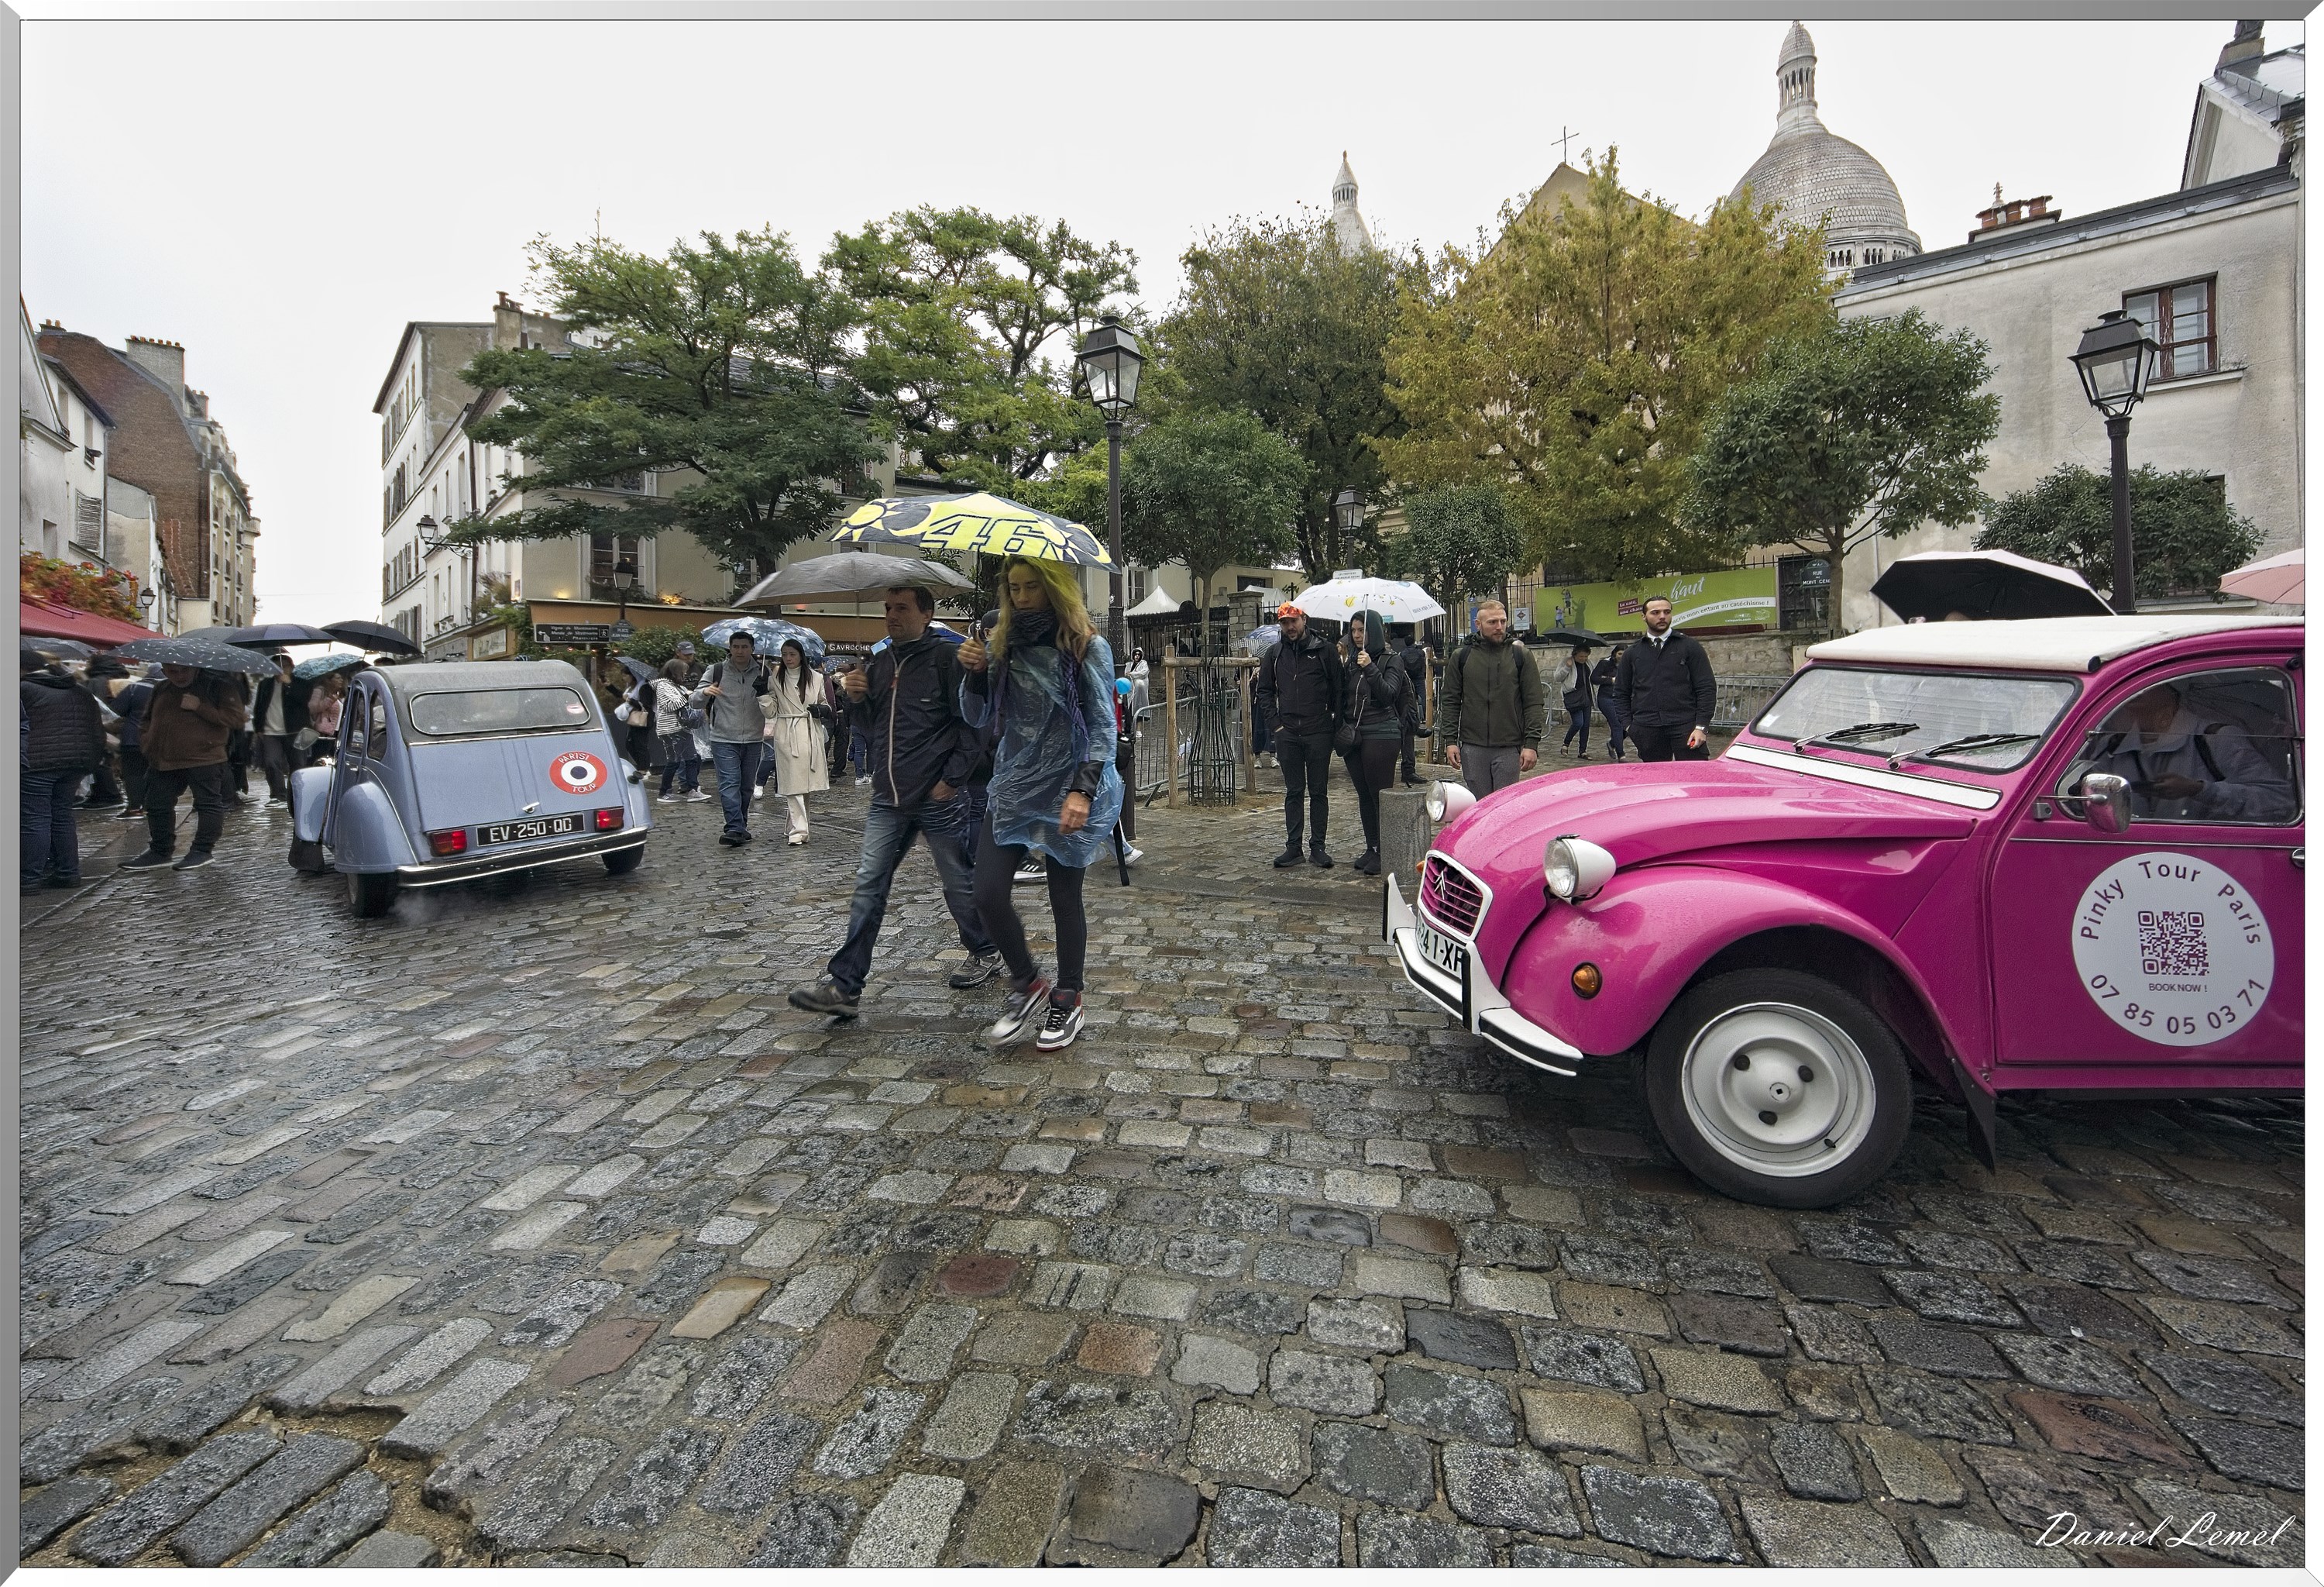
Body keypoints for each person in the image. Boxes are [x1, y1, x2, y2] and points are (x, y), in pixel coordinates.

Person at [787, 586, 999, 1017]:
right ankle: (845, 987)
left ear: (926, 613)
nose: (891, 615)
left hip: (937, 796)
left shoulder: (948, 660)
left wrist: (952, 780)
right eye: (887, 608)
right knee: (869, 886)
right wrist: (858, 698)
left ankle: (986, 949)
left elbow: (974, 725)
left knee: (957, 883)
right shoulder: (880, 664)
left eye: (901, 608)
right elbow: (870, 727)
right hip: (889, 797)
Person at [956, 556, 1124, 1051]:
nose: (1024, 597)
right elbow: (976, 715)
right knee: (986, 891)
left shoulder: (1084, 646)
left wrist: (1082, 790)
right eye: (1015, 588)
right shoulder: (1001, 644)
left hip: (1067, 782)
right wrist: (975, 674)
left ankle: (1068, 997)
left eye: (1032, 587)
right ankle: (1027, 982)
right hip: (1014, 781)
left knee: (1062, 895)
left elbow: (1102, 725)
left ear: (1053, 589)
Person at [2082, 681, 2295, 823]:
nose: (2137, 690)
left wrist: (2199, 790)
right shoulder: (2111, 747)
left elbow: (2279, 800)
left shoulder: (2217, 738)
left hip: (2210, 857)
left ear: (2173, 691)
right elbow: (2079, 802)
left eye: (2148, 684)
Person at [122, 663, 246, 873]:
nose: (178, 676)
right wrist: (147, 741)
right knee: (157, 804)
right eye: (171, 671)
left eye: (183, 670)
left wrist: (200, 707)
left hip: (204, 759)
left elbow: (235, 719)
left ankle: (201, 851)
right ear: (163, 671)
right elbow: (147, 718)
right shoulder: (161, 688)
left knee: (208, 804)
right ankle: (160, 851)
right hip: (163, 759)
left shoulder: (218, 686)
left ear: (195, 667)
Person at [1254, 602, 1345, 869]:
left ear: (1303, 620)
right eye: (1285, 623)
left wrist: (1334, 723)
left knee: (1318, 791)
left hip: (1319, 731)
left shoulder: (1324, 650)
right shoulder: (1274, 654)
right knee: (1294, 791)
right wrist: (1276, 726)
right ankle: (1294, 847)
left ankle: (1318, 847)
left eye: (1293, 621)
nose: (1290, 627)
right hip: (1288, 733)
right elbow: (1265, 691)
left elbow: (1338, 690)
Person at [1437, 599, 1545, 799]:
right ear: (1478, 624)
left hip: (1508, 746)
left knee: (1504, 806)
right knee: (1478, 806)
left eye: (1503, 622)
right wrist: (1450, 740)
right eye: (1492, 622)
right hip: (1473, 746)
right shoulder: (1462, 656)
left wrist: (1531, 744)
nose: (1499, 627)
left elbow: (1534, 702)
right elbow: (1451, 700)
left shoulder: (1520, 655)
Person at [1338, 611, 1418, 876]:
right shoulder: (1351, 661)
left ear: (1374, 630)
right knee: (1363, 794)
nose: (1357, 635)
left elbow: (1389, 694)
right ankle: (1372, 847)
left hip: (1382, 734)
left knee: (1378, 796)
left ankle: (1385, 851)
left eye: (1363, 630)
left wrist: (1370, 667)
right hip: (1356, 735)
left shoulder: (1390, 660)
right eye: (1354, 631)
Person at [22, 649, 105, 890]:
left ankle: (29, 878)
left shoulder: (23, 690)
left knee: (34, 819)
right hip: (76, 763)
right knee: (62, 817)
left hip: (37, 763)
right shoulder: (78, 690)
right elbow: (95, 726)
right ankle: (68, 873)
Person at [692, 632, 772, 846]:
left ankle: (740, 826)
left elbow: (773, 705)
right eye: (735, 646)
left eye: (744, 647)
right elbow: (694, 700)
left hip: (754, 738)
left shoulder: (764, 671)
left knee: (746, 786)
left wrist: (765, 690)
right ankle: (734, 827)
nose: (739, 651)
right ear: (730, 648)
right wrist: (705, 693)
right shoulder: (716, 670)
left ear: (752, 649)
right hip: (723, 738)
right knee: (729, 784)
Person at [1614, 595, 1716, 763]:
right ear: (1644, 617)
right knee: (1657, 783)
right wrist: (1629, 726)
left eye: (1666, 612)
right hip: (1647, 728)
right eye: (1655, 612)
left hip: (1685, 726)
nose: (1662, 616)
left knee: (1693, 780)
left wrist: (1701, 727)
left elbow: (1706, 688)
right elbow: (1620, 693)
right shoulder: (1633, 653)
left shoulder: (1689, 646)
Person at [765, 638, 834, 845]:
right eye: (784, 654)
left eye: (792, 654)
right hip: (787, 733)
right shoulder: (775, 679)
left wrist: (823, 710)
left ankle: (792, 826)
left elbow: (825, 703)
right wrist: (762, 694)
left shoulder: (816, 678)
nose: (788, 658)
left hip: (809, 731)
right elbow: (770, 711)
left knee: (803, 784)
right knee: (793, 782)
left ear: (801, 655)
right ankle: (800, 830)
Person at [249, 652, 308, 810]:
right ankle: (278, 795)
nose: (280, 670)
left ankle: (296, 794)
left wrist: (288, 684)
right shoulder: (265, 684)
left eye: (284, 666)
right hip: (270, 732)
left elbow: (303, 701)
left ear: (291, 667)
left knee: (297, 764)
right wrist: (258, 727)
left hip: (294, 731)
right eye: (276, 666)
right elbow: (260, 706)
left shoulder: (301, 683)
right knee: (271, 762)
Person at [74, 656, 129, 809]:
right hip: (119, 724)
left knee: (100, 760)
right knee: (108, 759)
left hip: (102, 725)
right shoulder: (120, 679)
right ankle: (107, 794)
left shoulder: (96, 681)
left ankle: (107, 795)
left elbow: (93, 703)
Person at [650, 659, 706, 802]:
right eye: (683, 671)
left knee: (693, 759)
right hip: (671, 729)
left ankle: (693, 790)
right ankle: (664, 792)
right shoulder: (663, 686)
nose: (685, 674)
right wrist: (687, 696)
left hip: (682, 728)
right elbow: (670, 705)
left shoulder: (676, 686)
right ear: (675, 672)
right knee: (674, 761)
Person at [112, 663, 159, 815]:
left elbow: (116, 711)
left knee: (133, 774)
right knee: (153, 772)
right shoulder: (167, 691)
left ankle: (134, 807)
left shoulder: (134, 689)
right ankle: (149, 805)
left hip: (133, 738)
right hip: (157, 739)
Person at [1396, 628, 1429, 784]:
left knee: (1408, 730)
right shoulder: (1419, 652)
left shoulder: (1401, 655)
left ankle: (1415, 724)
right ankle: (1417, 723)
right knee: (1420, 697)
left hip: (1403, 701)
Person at [1591, 645, 1630, 762]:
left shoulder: (1629, 664)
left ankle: (1612, 744)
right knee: (1617, 725)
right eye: (1619, 654)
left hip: (1622, 699)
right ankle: (1621, 755)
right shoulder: (1605, 663)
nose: (1621, 657)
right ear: (1615, 654)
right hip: (1606, 699)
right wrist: (1610, 680)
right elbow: (1594, 678)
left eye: (1624, 654)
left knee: (1628, 726)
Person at [1556, 643, 1595, 759]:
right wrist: (1567, 667)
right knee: (1578, 722)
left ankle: (1583, 751)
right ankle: (1566, 744)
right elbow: (1558, 677)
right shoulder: (1567, 661)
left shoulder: (1588, 664)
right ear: (1575, 655)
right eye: (1581, 657)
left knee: (1586, 725)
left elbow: (1592, 677)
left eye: (1585, 656)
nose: (1583, 659)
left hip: (1587, 697)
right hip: (1573, 697)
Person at [304, 671, 346, 764]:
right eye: (338, 678)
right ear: (329, 680)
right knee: (316, 759)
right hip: (319, 733)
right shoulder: (319, 691)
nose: (341, 680)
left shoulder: (337, 694)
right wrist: (329, 701)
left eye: (341, 678)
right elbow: (312, 708)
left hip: (331, 733)